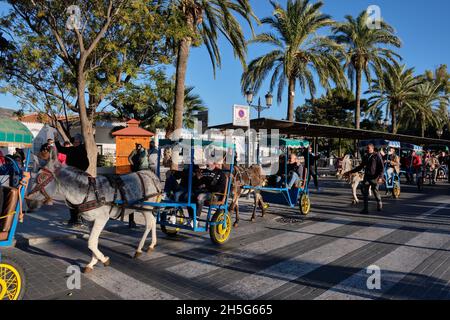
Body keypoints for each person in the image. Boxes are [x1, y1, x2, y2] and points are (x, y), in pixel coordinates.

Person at [55, 133, 90, 227]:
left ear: (79, 142)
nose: (74, 143)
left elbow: (85, 164)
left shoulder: (81, 150)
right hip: (71, 175)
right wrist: (56, 140)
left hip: (79, 177)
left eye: (75, 141)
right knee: (70, 198)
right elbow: (61, 149)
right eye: (73, 141)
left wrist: (78, 171)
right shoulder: (73, 149)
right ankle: (73, 218)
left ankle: (79, 219)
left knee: (77, 198)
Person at [345, 143, 384, 214]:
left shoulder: (377, 155)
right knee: (365, 193)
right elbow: (360, 166)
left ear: (372, 148)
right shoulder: (366, 156)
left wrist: (380, 177)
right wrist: (351, 171)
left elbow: (381, 167)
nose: (367, 149)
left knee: (375, 191)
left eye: (368, 148)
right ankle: (365, 209)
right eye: (367, 148)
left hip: (374, 177)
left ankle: (379, 202)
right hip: (367, 177)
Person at [188, 162, 227, 228]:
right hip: (202, 192)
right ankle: (191, 218)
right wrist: (197, 178)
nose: (207, 163)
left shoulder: (220, 173)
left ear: (214, 163)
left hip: (214, 195)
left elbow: (220, 187)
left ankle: (196, 220)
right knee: (188, 196)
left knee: (200, 197)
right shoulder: (204, 171)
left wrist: (207, 186)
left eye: (210, 162)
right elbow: (196, 184)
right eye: (207, 161)